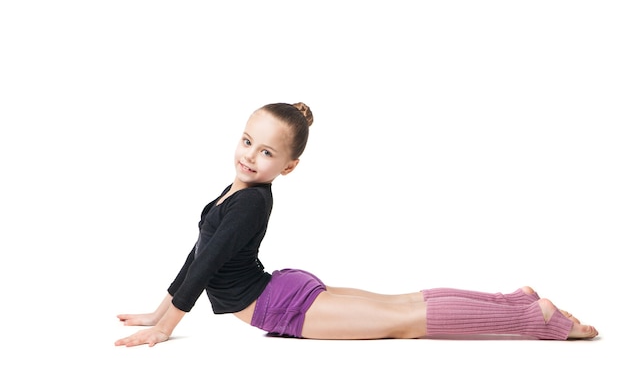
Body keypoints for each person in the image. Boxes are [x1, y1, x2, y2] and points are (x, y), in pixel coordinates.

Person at [115, 102, 598, 347]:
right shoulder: (231, 194)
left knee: (403, 320)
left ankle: (525, 318)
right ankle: (513, 301)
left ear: (288, 166)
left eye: (266, 152)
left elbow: (208, 268)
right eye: (246, 141)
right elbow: (198, 254)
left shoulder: (248, 204)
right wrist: (155, 313)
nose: (250, 156)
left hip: (280, 306)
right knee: (401, 303)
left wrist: (167, 327)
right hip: (281, 289)